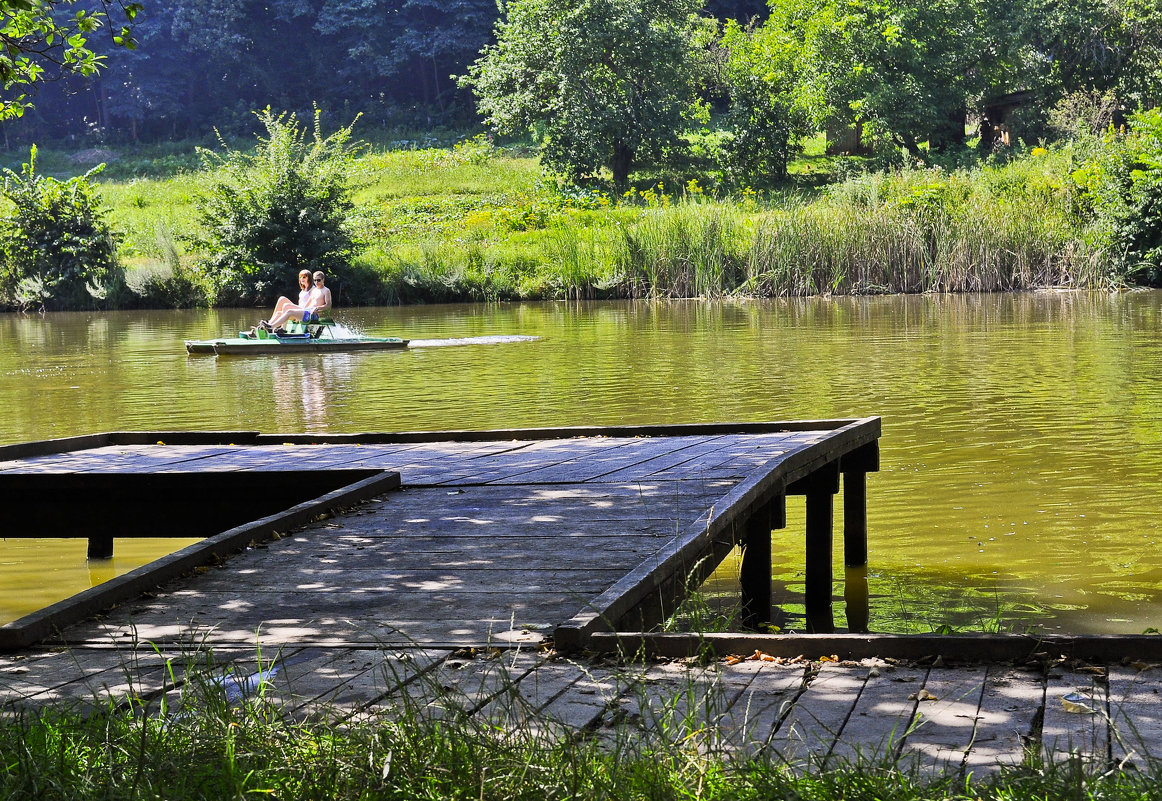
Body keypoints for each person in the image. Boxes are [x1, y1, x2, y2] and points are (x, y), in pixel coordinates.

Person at [261, 270, 333, 330]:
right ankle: (273, 327)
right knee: (280, 313)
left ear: (323, 279)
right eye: (315, 280)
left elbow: (328, 305)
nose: (316, 282)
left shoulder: (326, 290)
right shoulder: (315, 290)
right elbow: (308, 303)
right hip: (307, 311)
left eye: (318, 280)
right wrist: (299, 311)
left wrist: (317, 308)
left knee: (289, 311)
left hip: (314, 315)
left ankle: (273, 327)